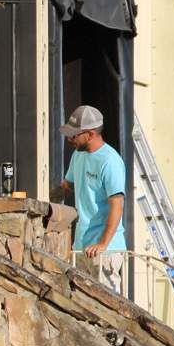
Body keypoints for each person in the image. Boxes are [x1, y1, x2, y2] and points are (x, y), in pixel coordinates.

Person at [55, 104, 128, 294]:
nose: (69, 139)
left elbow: (117, 206)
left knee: (105, 306)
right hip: (81, 246)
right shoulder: (78, 156)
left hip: (105, 251)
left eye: (74, 135)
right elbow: (66, 187)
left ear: (90, 134)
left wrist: (102, 244)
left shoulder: (110, 161)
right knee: (79, 305)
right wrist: (41, 203)